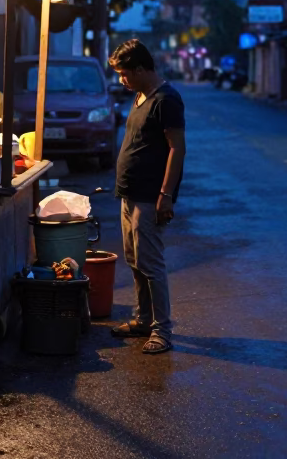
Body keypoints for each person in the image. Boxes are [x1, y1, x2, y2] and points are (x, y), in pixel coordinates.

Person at [108, 38, 185, 355]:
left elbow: (176, 149)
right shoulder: (139, 96)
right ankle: (142, 320)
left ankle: (162, 330)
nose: (122, 80)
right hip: (129, 194)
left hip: (150, 197)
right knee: (135, 262)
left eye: (126, 74)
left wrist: (166, 195)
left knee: (151, 265)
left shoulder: (167, 99)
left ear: (141, 69)